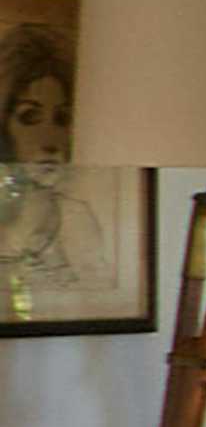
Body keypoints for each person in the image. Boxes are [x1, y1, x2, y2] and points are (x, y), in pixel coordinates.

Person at [0, 18, 118, 301]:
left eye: (62, 119)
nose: (50, 140)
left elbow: (99, 300)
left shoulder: (76, 218)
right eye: (30, 117)